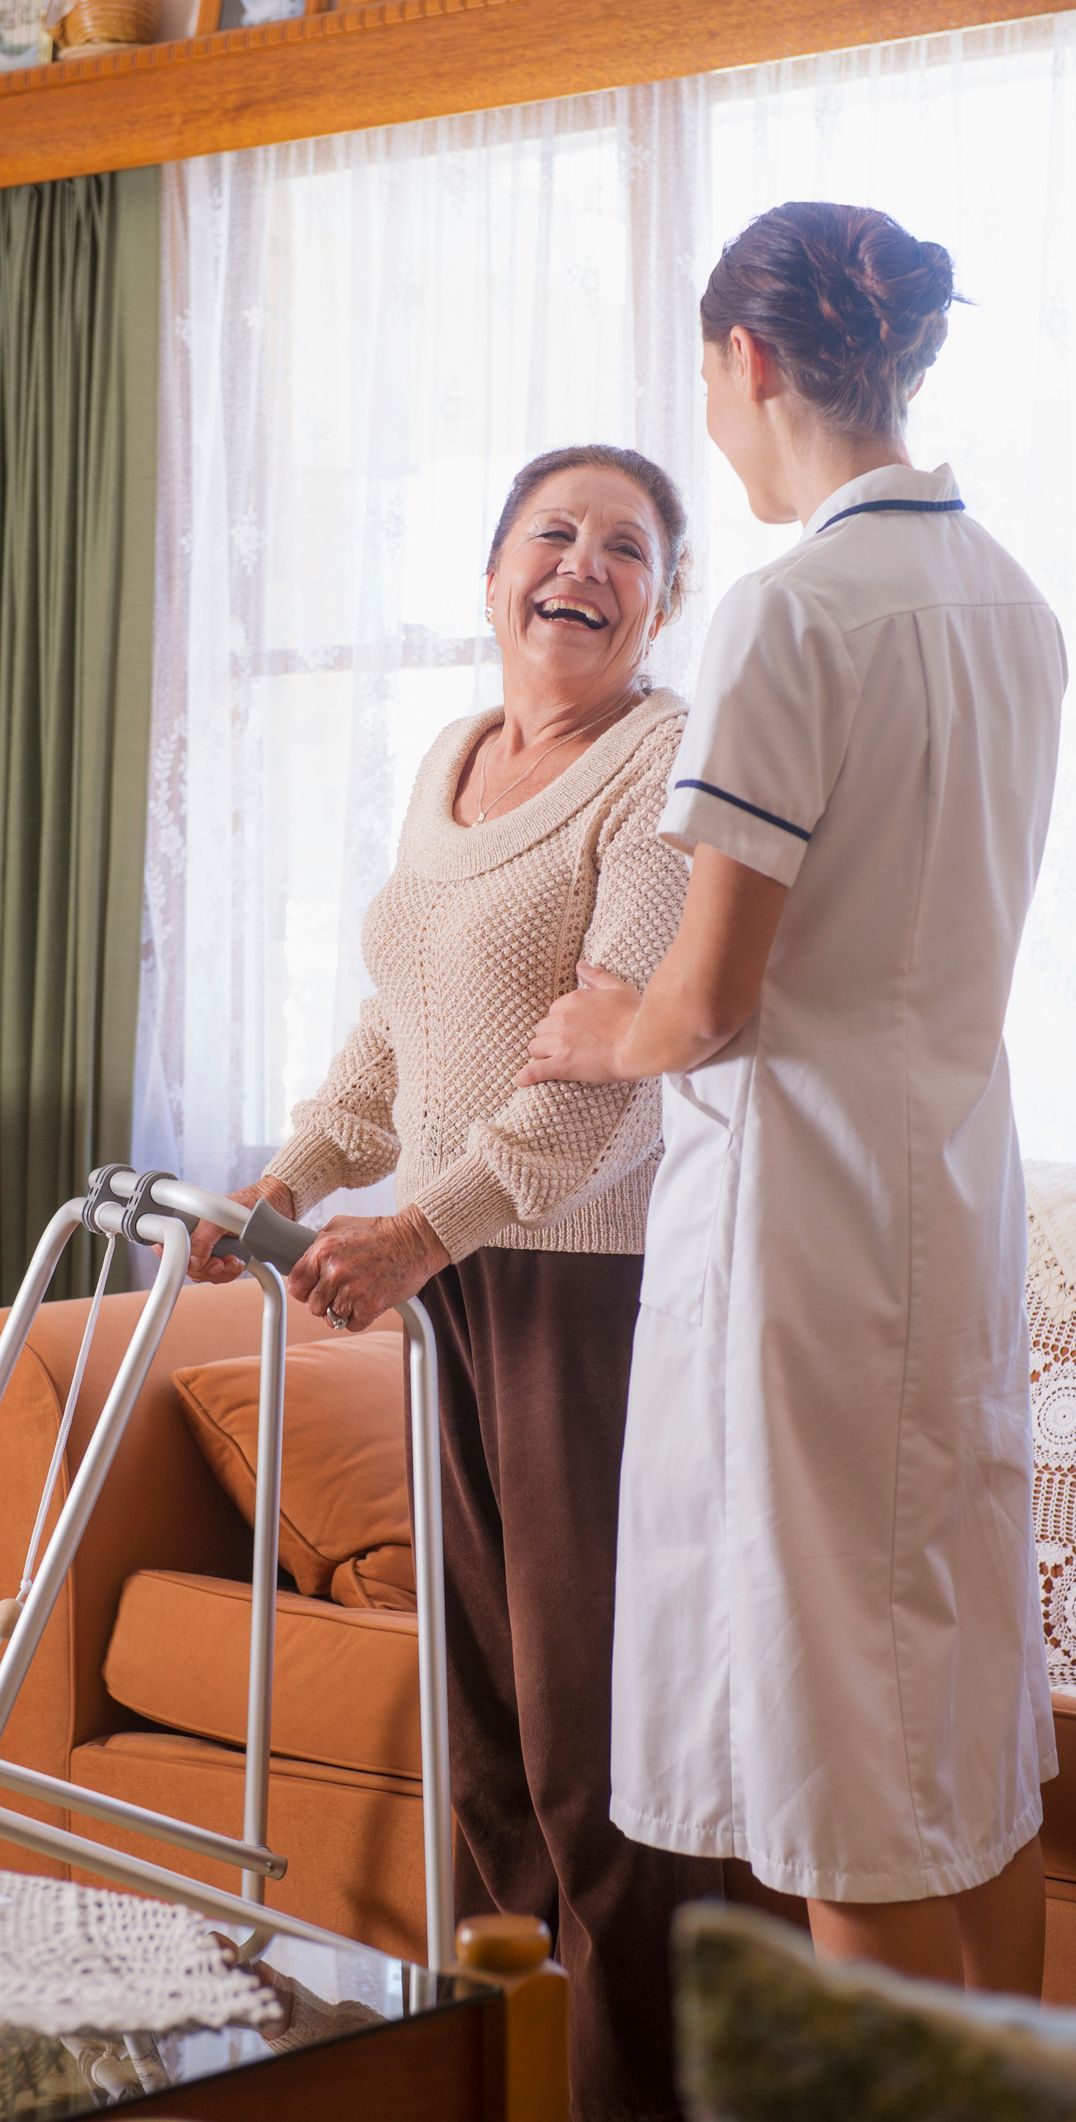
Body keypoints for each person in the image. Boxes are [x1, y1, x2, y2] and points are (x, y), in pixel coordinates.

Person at [521, 201, 1068, 1997]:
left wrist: (592, 1026)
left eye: (708, 383)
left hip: (807, 1257)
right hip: (943, 1212)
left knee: (846, 1765)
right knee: (952, 1759)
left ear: (751, 365)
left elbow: (703, 1000)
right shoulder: (1012, 600)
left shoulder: (788, 614)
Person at [185, 443, 718, 2121]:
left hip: (588, 1291)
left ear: (663, 601)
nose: (582, 565)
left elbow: (607, 1074)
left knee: (591, 1751)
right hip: (462, 1283)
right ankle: (504, 2073)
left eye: (626, 548)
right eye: (551, 534)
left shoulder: (665, 764)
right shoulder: (453, 761)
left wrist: (429, 1219)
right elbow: (402, 1032)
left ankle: (637, 2096)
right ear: (490, 575)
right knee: (484, 1738)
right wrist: (290, 1173)